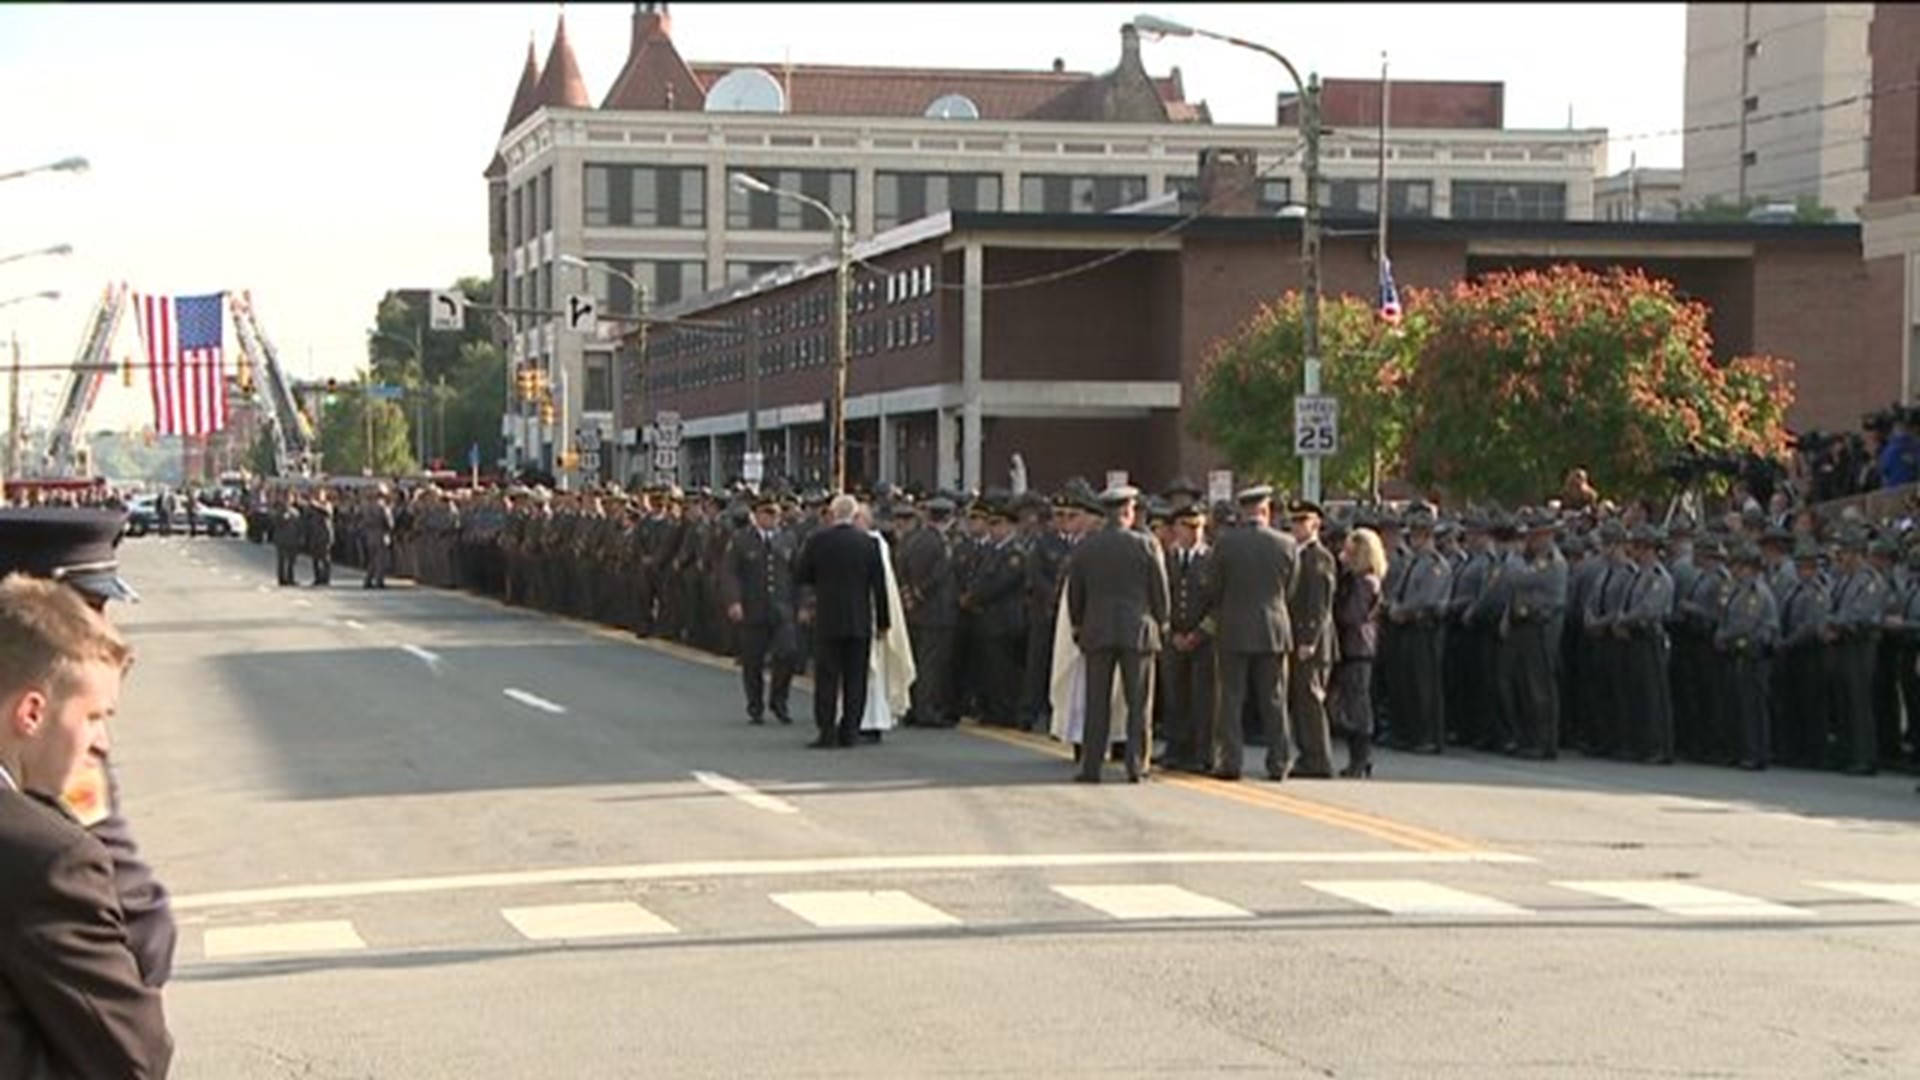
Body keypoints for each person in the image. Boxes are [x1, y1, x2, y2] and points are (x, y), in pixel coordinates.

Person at [0, 574, 174, 1078]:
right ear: (32, 712)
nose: (103, 742)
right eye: (94, 716)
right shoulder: (44, 856)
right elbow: (133, 1058)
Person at [1065, 485, 1169, 783]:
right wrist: (1162, 622)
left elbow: (1076, 592)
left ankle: (1091, 765)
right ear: (1128, 511)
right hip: (1137, 628)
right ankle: (1136, 765)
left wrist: (1078, 624)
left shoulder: (1087, 546)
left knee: (1096, 702)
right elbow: (1158, 590)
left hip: (1097, 628)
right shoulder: (1146, 545)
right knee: (1139, 702)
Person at [1203, 484, 1298, 781]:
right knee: (1274, 698)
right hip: (1273, 627)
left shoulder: (1225, 543)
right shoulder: (1287, 544)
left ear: (1242, 511)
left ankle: (1231, 761)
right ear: (1266, 510)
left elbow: (1214, 588)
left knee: (1231, 698)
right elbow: (1290, 589)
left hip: (1234, 627)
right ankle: (1279, 761)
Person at [793, 494, 891, 749]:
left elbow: (802, 573)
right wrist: (883, 622)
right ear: (855, 515)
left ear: (833, 514)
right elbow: (879, 587)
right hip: (859, 620)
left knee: (827, 678)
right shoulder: (868, 544)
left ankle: (826, 732)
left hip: (828, 618)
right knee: (855, 679)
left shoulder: (818, 540)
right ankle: (850, 732)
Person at [722, 494, 798, 726]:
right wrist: (734, 601)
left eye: (775, 513)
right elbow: (730, 573)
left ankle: (779, 700)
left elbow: (798, 573)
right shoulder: (741, 540)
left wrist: (804, 603)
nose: (772, 518)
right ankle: (755, 705)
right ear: (756, 515)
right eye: (767, 513)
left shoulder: (788, 539)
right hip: (753, 608)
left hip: (782, 609)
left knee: (787, 653)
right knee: (752, 661)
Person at [1286, 499, 1339, 777]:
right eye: (1293, 521)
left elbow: (1319, 603)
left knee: (1311, 700)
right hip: (1298, 638)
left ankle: (1319, 759)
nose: (1296, 526)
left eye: (1301, 521)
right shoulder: (1297, 554)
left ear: (1315, 524)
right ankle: (1308, 755)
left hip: (1314, 642)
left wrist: (1309, 638)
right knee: (1301, 701)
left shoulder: (1319, 557)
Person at [856, 503, 916, 740]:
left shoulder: (875, 543)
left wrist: (882, 620)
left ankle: (875, 721)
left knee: (876, 674)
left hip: (872, 614)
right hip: (860, 612)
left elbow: (882, 584)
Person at [1331, 526, 1386, 777]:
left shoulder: (1365, 582)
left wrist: (1335, 611)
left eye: (1351, 553)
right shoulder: (1357, 580)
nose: (1346, 557)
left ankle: (1361, 757)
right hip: (1353, 644)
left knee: (1357, 704)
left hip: (1358, 645)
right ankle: (1359, 757)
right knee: (1351, 702)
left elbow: (1353, 615)